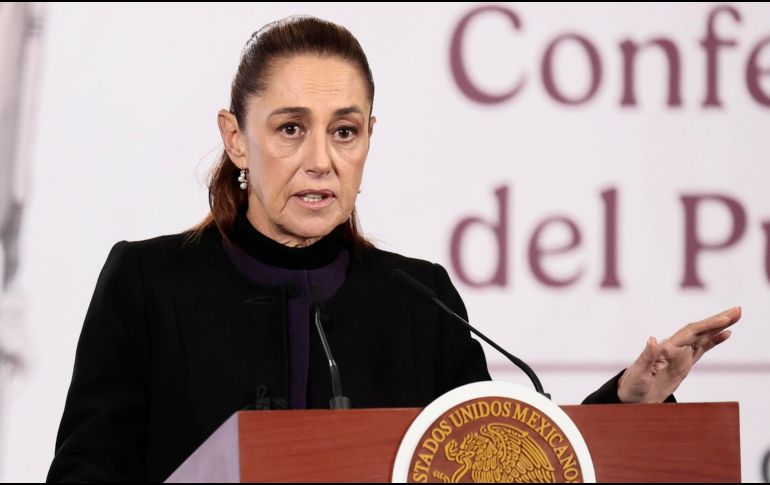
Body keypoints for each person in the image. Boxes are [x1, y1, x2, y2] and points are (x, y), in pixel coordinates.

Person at [46, 16, 742, 483]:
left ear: (369, 138)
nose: (320, 159)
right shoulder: (148, 283)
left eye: (344, 132)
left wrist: (631, 399)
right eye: (291, 129)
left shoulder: (420, 299)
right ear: (236, 139)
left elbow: (496, 462)